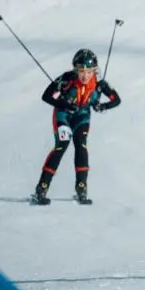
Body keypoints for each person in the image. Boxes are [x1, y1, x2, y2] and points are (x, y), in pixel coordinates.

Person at [31, 48, 121, 205]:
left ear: (95, 71)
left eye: (89, 71)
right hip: (63, 115)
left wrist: (103, 106)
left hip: (82, 116)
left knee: (81, 145)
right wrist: (63, 103)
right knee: (62, 145)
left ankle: (81, 187)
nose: (85, 76)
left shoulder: (99, 83)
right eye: (81, 71)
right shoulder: (67, 79)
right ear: (76, 70)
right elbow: (46, 96)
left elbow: (116, 99)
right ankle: (42, 188)